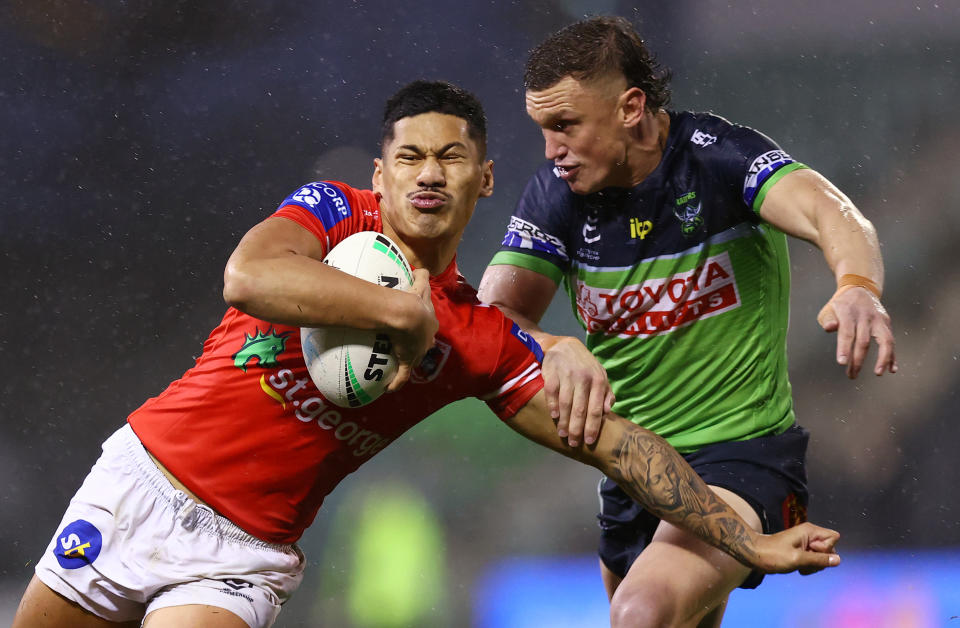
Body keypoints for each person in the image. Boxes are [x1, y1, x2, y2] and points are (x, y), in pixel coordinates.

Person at [13, 80, 840, 628]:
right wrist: (399, 318)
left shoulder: (477, 341)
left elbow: (622, 449)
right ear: (382, 172)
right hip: (140, 484)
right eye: (409, 157)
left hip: (245, 555)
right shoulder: (332, 213)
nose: (428, 175)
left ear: (485, 180)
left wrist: (747, 541)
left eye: (451, 158)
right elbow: (248, 275)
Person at [478, 16, 896, 628]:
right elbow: (495, 317)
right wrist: (551, 343)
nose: (550, 151)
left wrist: (858, 284)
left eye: (565, 126)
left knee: (641, 613)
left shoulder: (719, 159)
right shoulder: (557, 195)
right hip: (630, 468)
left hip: (738, 458)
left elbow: (828, 208)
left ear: (631, 106)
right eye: (542, 129)